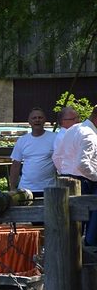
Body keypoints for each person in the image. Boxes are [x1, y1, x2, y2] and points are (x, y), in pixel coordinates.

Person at [52, 105, 97, 245]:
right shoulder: (90, 134)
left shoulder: (71, 130)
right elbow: (82, 164)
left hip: (68, 181)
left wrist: (66, 173)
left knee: (72, 229)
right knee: (89, 229)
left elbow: (56, 157)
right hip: (85, 182)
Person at [9, 107, 57, 196]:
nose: (37, 120)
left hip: (49, 189)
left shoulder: (55, 138)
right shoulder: (22, 140)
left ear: (44, 120)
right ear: (29, 121)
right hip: (25, 190)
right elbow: (15, 166)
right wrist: (12, 187)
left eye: (40, 117)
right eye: (34, 118)